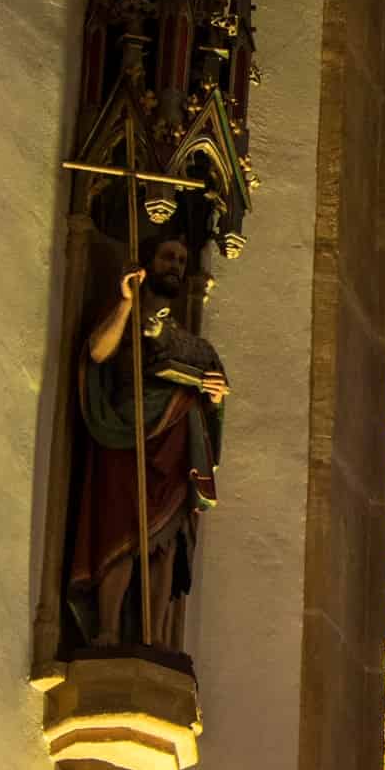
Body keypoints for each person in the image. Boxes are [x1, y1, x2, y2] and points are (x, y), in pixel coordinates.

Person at [69, 236, 228, 649]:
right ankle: (106, 631)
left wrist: (213, 396)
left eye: (181, 259)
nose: (175, 264)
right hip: (127, 438)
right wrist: (125, 302)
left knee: (166, 546)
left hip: (175, 448)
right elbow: (98, 354)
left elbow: (213, 406)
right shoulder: (128, 319)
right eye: (167, 256)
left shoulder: (194, 345)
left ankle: (155, 640)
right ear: (148, 262)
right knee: (119, 535)